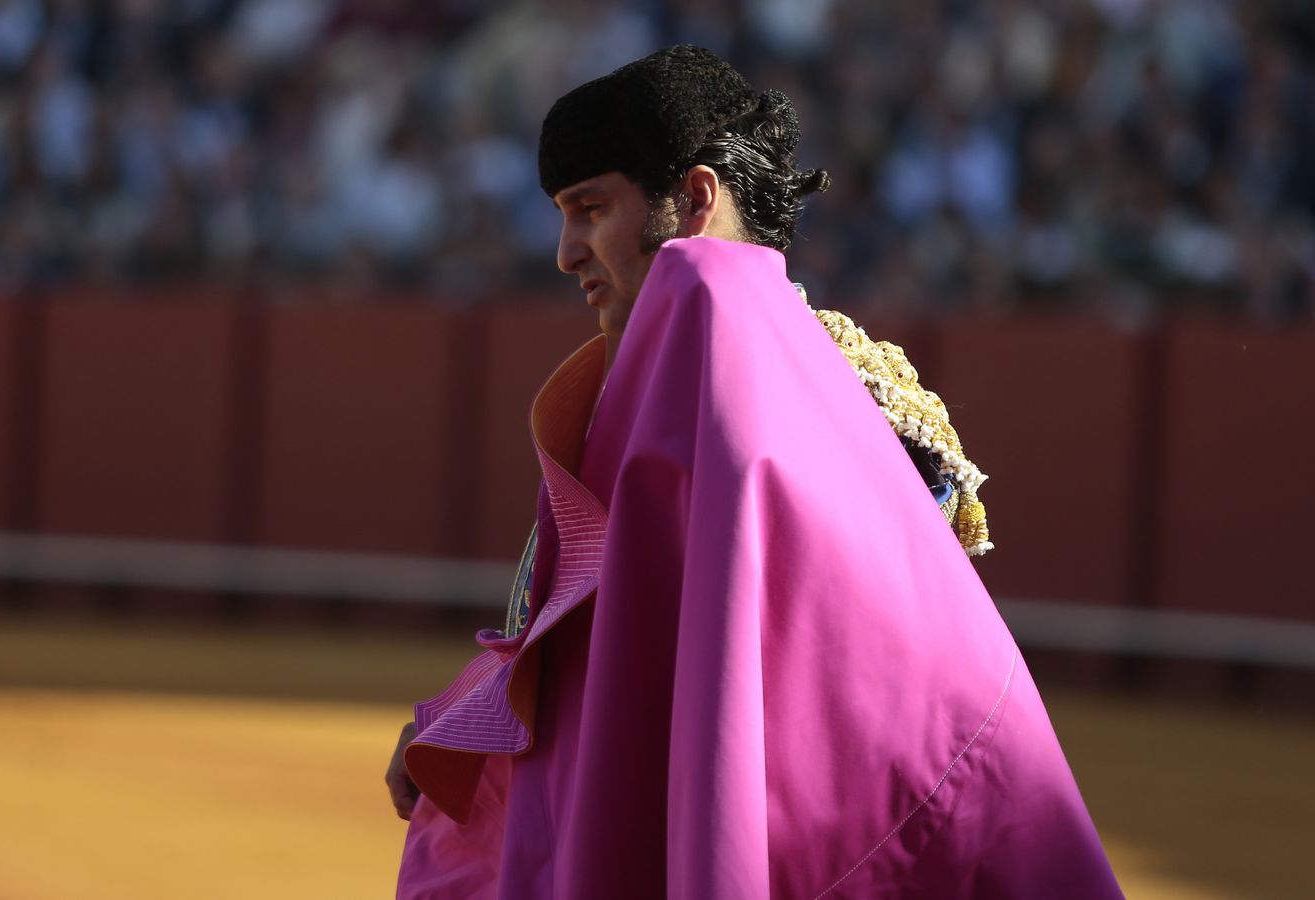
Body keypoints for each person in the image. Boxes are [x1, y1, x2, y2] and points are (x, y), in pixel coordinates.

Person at [387, 46, 1122, 898]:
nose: (566, 252)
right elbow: (574, 632)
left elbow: (870, 692)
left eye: (590, 209)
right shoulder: (648, 398)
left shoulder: (837, 393)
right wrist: (461, 722)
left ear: (695, 200)